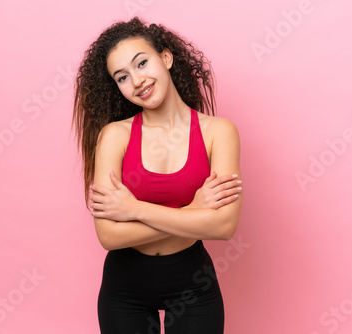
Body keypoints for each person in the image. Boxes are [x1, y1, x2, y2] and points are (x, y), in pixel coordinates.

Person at [72, 16, 242, 334]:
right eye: (122, 77)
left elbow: (224, 225)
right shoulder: (114, 136)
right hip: (125, 288)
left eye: (141, 63)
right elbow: (109, 236)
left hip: (193, 284)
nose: (136, 81)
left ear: (165, 56)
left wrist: (134, 210)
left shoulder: (218, 132)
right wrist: (193, 211)